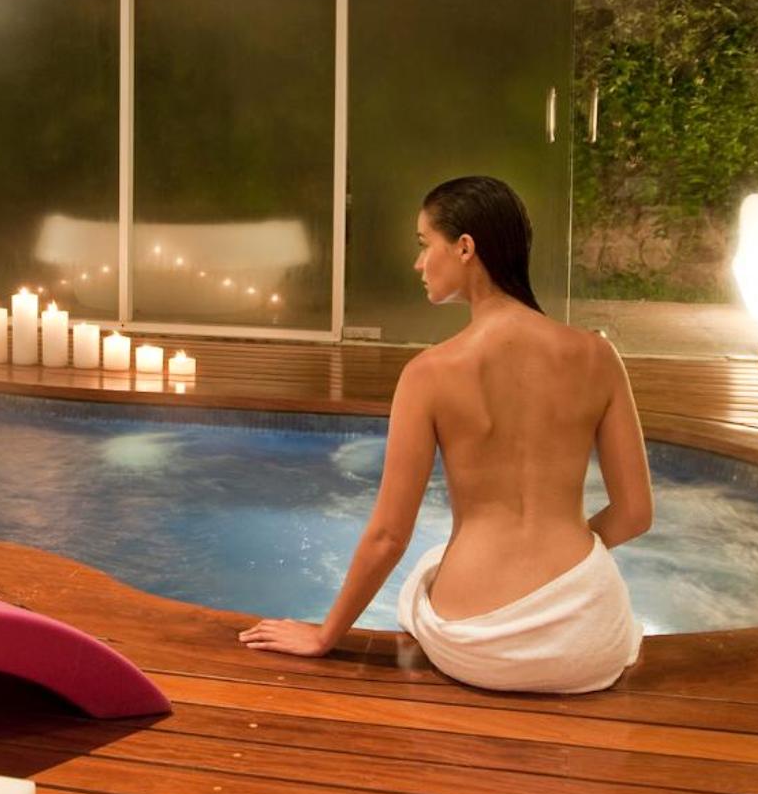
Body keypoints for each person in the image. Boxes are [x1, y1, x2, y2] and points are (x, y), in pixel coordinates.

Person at [238, 175, 651, 693]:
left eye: (423, 243)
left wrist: (325, 635)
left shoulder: (430, 373)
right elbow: (635, 514)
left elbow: (389, 536)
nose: (418, 263)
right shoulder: (598, 357)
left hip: (480, 642)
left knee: (428, 570)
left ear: (464, 247)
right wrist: (563, 567)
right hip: (587, 638)